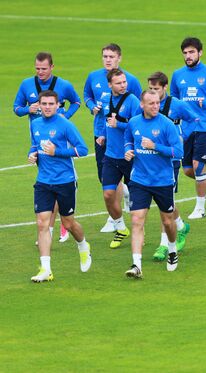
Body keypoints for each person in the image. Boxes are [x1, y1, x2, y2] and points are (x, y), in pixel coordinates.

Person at [14, 52, 81, 243]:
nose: (40, 72)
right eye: (37, 68)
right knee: (48, 181)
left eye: (44, 68)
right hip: (38, 141)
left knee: (61, 178)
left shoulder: (64, 85)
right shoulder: (27, 84)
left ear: (52, 67)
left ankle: (56, 226)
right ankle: (49, 227)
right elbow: (16, 108)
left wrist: (65, 117)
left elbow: (76, 101)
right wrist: (29, 109)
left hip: (60, 139)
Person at [27, 90, 91, 282]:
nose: (47, 107)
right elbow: (34, 145)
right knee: (42, 223)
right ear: (39, 105)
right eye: (43, 104)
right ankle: (46, 269)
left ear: (57, 105)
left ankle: (83, 245)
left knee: (68, 223)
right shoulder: (35, 124)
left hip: (65, 181)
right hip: (43, 181)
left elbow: (83, 149)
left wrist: (58, 152)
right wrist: (33, 154)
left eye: (50, 104)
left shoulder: (65, 125)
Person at [123, 90, 184, 278]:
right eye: (151, 103)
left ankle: (172, 249)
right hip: (140, 180)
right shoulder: (134, 123)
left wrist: (155, 146)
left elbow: (179, 152)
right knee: (136, 220)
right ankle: (136, 265)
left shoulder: (166, 124)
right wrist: (128, 151)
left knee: (167, 221)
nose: (156, 106)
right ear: (142, 105)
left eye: (157, 103)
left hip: (163, 180)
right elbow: (127, 139)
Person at [83, 43, 142, 233]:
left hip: (126, 140)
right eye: (105, 56)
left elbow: (140, 111)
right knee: (104, 178)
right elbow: (87, 95)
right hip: (102, 134)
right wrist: (91, 106)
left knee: (131, 181)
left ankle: (114, 218)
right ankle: (120, 204)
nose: (108, 60)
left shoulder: (131, 81)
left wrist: (122, 125)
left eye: (111, 57)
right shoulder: (93, 77)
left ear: (119, 58)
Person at [171, 37, 206, 219]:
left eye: (191, 52)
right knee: (188, 170)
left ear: (200, 53)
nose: (188, 56)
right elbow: (173, 99)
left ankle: (200, 208)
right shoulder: (177, 75)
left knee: (197, 166)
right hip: (185, 128)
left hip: (205, 126)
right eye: (185, 53)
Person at [148, 71, 198, 261]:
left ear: (165, 88)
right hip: (150, 159)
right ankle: (180, 225)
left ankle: (163, 245)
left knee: (164, 204)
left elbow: (194, 120)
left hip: (171, 160)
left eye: (156, 89)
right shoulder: (145, 106)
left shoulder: (176, 105)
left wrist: (183, 137)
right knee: (165, 202)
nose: (153, 93)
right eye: (151, 89)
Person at [98, 68, 141, 249]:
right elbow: (103, 121)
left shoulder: (132, 101)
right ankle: (120, 227)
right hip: (111, 156)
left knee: (137, 201)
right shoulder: (104, 99)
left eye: (124, 82)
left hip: (130, 156)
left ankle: (140, 234)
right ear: (110, 85)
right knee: (108, 194)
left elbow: (138, 127)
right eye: (118, 83)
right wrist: (101, 135)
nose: (123, 85)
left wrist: (119, 124)